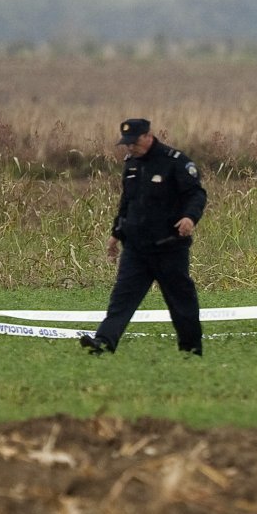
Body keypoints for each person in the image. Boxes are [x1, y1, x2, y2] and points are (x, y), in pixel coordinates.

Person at [80, 118, 208, 356]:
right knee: (121, 300)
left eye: (134, 142)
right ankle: (104, 343)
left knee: (181, 303)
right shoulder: (131, 164)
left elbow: (196, 194)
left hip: (169, 248)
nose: (130, 148)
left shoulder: (175, 162)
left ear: (149, 136)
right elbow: (127, 202)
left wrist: (190, 218)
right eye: (127, 143)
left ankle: (191, 350)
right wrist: (115, 234)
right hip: (137, 250)